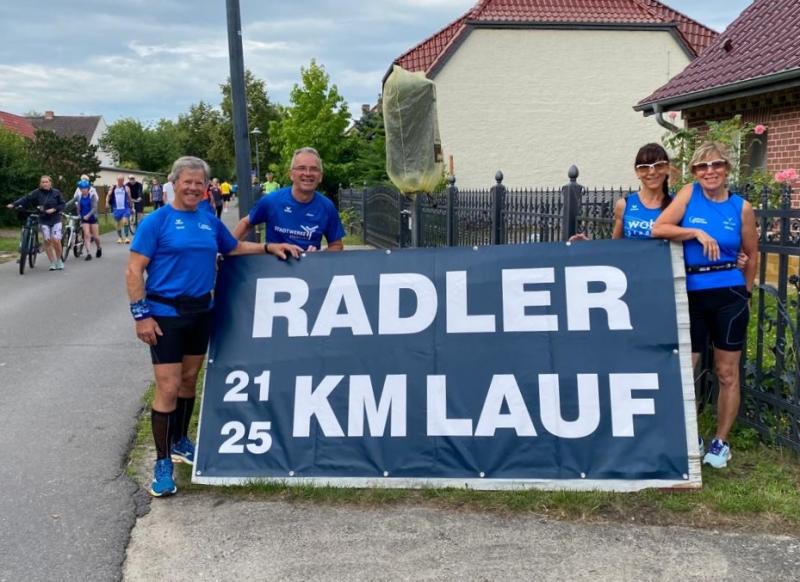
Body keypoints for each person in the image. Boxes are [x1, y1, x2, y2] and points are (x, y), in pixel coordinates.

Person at [126, 156, 303, 497]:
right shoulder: (157, 221)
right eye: (187, 182)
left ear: (206, 187)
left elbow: (233, 247)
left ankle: (180, 441)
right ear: (174, 183)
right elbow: (134, 270)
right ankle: (162, 463)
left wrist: (268, 246)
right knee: (168, 386)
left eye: (199, 183)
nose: (193, 188)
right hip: (165, 314)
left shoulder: (208, 219)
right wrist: (141, 315)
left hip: (201, 311)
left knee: (189, 380)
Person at [652, 141, 758, 469]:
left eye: (716, 165)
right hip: (692, 292)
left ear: (727, 168)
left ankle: (721, 442)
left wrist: (746, 293)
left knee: (727, 372)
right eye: (702, 166)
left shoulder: (741, 207)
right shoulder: (689, 195)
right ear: (695, 172)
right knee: (687, 368)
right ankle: (690, 434)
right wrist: (696, 232)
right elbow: (659, 228)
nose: (709, 171)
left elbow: (751, 254)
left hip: (729, 294)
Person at [233, 147, 345, 251]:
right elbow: (246, 223)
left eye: (314, 169)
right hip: (273, 264)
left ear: (320, 176)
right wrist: (228, 249)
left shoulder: (327, 207)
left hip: (309, 265)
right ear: (291, 174)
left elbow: (337, 245)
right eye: (301, 168)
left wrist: (318, 257)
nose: (307, 173)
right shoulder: (271, 201)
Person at [6, 175, 66, 270]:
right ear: (40, 183)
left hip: (56, 219)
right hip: (43, 219)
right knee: (47, 241)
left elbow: (63, 204)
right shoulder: (37, 192)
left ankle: (59, 260)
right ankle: (52, 262)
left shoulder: (56, 192)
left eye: (46, 182)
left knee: (55, 240)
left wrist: (54, 209)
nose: (44, 184)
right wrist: (14, 204)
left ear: (50, 183)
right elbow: (26, 198)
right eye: (43, 182)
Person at [73, 180, 102, 260]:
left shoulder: (92, 196)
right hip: (84, 219)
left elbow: (94, 208)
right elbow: (77, 206)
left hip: (92, 218)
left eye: (85, 188)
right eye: (82, 188)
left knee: (96, 237)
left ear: (88, 188)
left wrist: (88, 215)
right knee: (86, 235)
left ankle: (99, 247)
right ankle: (88, 253)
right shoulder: (79, 196)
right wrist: (79, 214)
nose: (83, 190)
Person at [106, 175, 133, 243]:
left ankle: (126, 237)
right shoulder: (113, 187)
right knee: (118, 224)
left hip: (125, 208)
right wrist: (107, 203)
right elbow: (108, 195)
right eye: (119, 180)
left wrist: (131, 207)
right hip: (116, 208)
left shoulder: (126, 188)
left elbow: (129, 198)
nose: (120, 181)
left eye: (121, 180)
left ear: (123, 180)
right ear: (117, 180)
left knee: (125, 221)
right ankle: (120, 238)